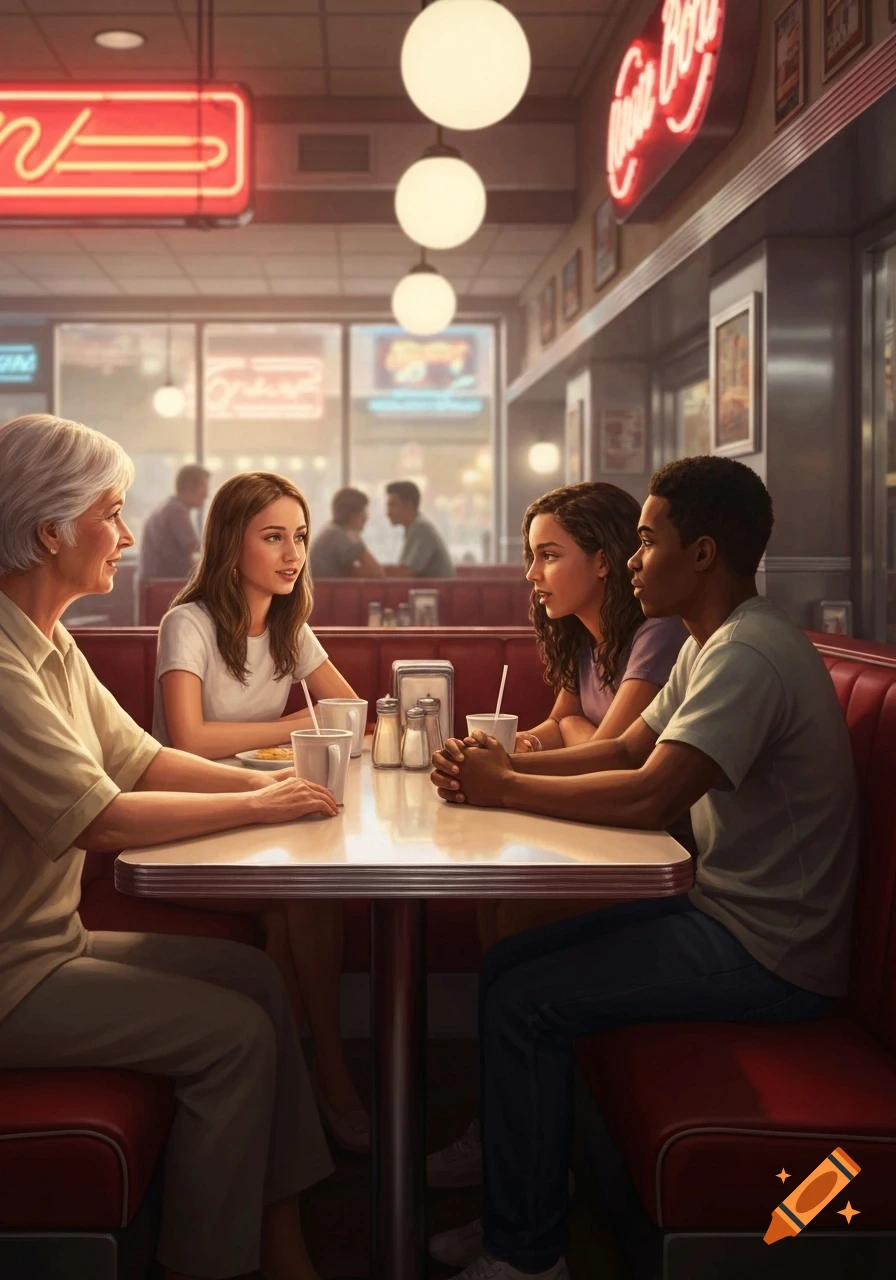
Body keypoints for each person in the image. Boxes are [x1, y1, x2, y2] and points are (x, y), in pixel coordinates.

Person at [428, 456, 858, 1280]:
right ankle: (523, 1200)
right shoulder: (712, 644)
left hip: (773, 953)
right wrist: (496, 764)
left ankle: (526, 1257)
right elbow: (626, 747)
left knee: (524, 998)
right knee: (511, 963)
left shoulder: (748, 655)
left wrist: (505, 787)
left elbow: (652, 796)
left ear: (701, 554)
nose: (632, 559)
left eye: (648, 540)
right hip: (727, 916)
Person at [0, 415, 351, 1280]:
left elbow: (145, 758)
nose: (126, 535)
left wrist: (285, 794)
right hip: (13, 980)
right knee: (235, 1037)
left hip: (53, 948)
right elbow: (104, 819)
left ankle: (280, 1238)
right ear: (51, 530)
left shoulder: (50, 644)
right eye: (111, 514)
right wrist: (266, 805)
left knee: (260, 982)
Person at [427, 481, 688, 1198]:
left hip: (653, 855)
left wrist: (510, 767)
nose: (531, 574)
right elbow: (560, 727)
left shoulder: (658, 636)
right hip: (598, 831)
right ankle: (514, 1129)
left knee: (512, 923)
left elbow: (615, 752)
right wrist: (496, 747)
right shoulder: (585, 635)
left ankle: (521, 1140)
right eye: (530, 556)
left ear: (603, 561)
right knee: (496, 913)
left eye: (548, 555)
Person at [154, 471, 371, 1154]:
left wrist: (311, 725)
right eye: (273, 537)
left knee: (304, 897)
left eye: (299, 537)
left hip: (266, 811)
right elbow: (188, 739)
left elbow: (350, 718)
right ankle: (327, 1078)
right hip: (193, 813)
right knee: (298, 900)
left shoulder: (288, 625)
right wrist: (286, 726)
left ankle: (296, 1092)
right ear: (230, 543)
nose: (292, 554)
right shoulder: (187, 622)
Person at [139, 463, 209, 581]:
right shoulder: (176, 510)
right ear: (190, 487)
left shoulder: (169, 507)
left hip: (156, 580)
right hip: (164, 583)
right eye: (204, 487)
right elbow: (194, 546)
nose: (206, 494)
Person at [384, 479, 454, 578]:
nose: (388, 513)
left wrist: (373, 571)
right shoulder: (415, 528)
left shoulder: (421, 529)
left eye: (393, 505)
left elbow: (406, 573)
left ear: (409, 506)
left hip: (436, 592)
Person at [310, 486, 384, 579]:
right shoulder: (343, 535)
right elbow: (376, 571)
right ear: (352, 514)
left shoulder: (331, 531)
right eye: (363, 512)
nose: (366, 518)